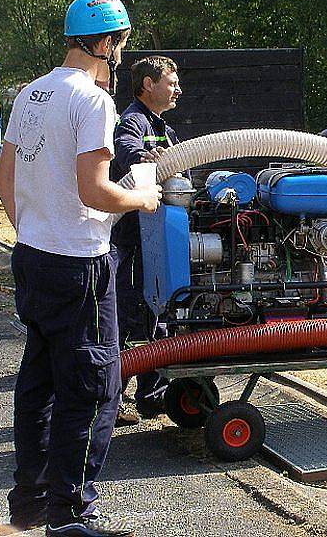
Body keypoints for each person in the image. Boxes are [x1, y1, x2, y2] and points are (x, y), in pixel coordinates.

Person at [0, 0, 160, 537]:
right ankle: (72, 516)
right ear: (109, 43)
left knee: (38, 382)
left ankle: (32, 503)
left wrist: (35, 231)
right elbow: (95, 193)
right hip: (80, 265)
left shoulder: (32, 93)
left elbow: (4, 181)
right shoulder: (93, 100)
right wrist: (141, 198)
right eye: (121, 43)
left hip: (33, 257)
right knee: (92, 388)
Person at [110, 56, 182, 425]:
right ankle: (114, 398)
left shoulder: (162, 127)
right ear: (148, 85)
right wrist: (144, 158)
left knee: (160, 312)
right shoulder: (134, 121)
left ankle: (151, 395)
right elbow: (125, 151)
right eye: (171, 82)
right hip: (132, 238)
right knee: (127, 315)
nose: (178, 89)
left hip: (156, 235)